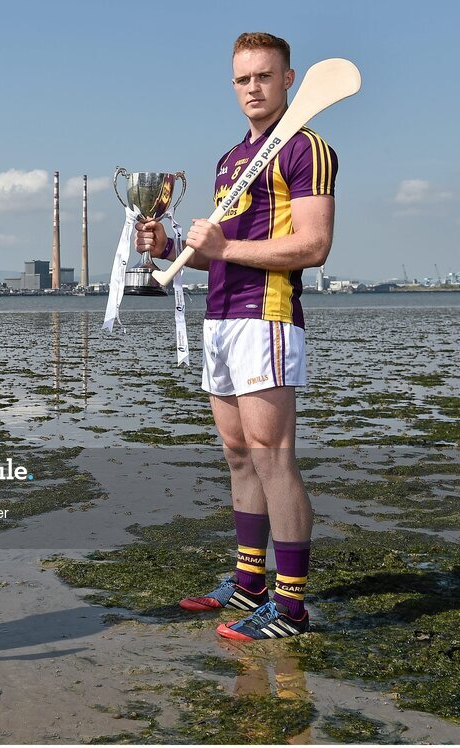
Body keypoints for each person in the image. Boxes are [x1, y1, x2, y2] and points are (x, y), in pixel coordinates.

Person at [137, 32, 337, 641]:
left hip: (267, 315)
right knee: (237, 454)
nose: (253, 88)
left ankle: (292, 606)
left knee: (273, 457)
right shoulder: (231, 159)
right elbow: (220, 254)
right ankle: (249, 583)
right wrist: (172, 250)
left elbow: (314, 245)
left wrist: (225, 248)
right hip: (221, 319)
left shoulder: (307, 148)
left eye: (264, 76)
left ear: (288, 79)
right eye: (243, 79)